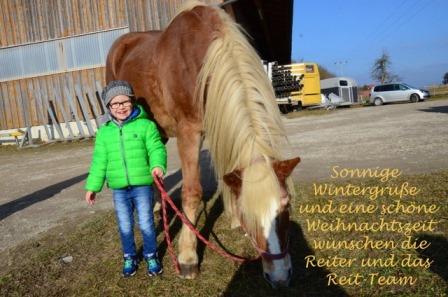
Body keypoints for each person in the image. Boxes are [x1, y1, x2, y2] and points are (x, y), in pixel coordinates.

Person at [84, 80, 167, 277]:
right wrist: (92, 187)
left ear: (132, 101)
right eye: (115, 103)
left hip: (142, 186)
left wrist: (157, 165)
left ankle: (151, 255)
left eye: (125, 102)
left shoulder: (146, 126)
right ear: (108, 107)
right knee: (125, 224)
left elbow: (156, 148)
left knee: (146, 222)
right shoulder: (104, 133)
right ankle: (130, 256)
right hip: (119, 189)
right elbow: (99, 162)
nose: (121, 107)